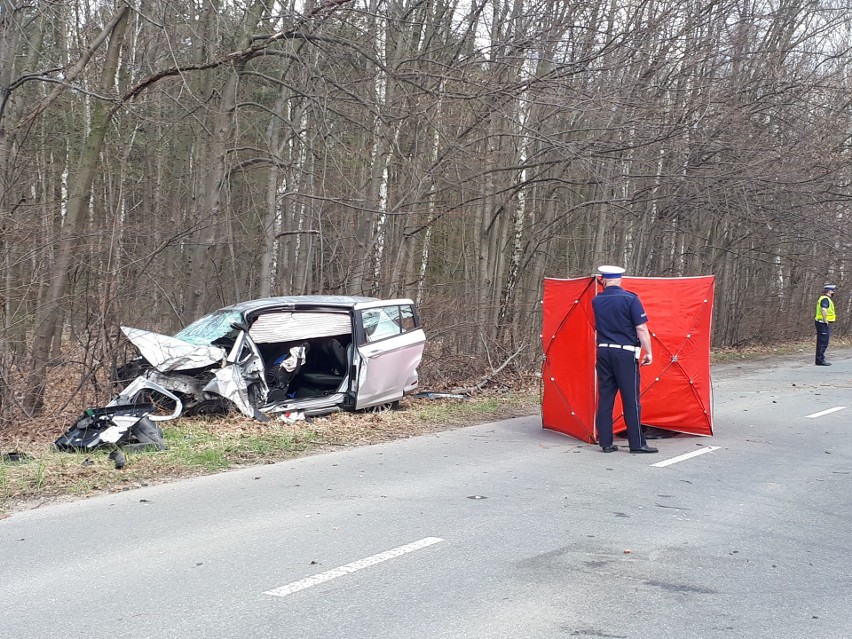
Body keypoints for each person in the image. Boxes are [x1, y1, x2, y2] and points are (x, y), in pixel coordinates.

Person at [592, 265, 657, 453]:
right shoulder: (630, 299)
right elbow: (642, 329)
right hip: (625, 354)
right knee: (631, 399)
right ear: (620, 279)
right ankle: (637, 444)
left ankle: (605, 442)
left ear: (603, 280)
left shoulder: (597, 301)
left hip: (603, 351)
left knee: (605, 397)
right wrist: (649, 352)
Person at [815, 283, 837, 366]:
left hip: (821, 322)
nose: (834, 292)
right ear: (829, 291)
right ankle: (820, 360)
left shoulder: (824, 298)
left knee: (822, 341)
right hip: (822, 322)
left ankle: (819, 360)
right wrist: (825, 320)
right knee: (823, 341)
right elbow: (824, 309)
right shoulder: (825, 299)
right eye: (833, 291)